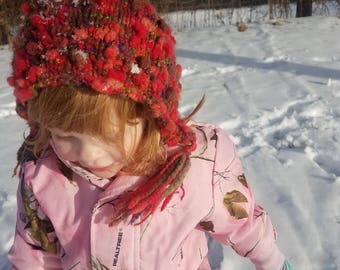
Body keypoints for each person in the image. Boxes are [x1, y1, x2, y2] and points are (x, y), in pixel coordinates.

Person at [7, 0, 293, 269]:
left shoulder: (197, 166)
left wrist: (271, 260)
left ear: (152, 114)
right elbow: (35, 253)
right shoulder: (42, 173)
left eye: (110, 134)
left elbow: (241, 222)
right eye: (65, 136)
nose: (90, 154)